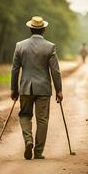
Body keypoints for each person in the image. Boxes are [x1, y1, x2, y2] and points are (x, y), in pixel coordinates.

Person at [11, 16, 63, 160]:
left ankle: (28, 140)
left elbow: (15, 69)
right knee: (42, 120)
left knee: (24, 115)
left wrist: (14, 89)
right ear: (44, 29)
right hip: (44, 89)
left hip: (26, 88)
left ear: (30, 29)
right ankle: (38, 152)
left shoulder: (20, 46)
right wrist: (59, 90)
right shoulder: (50, 47)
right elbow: (55, 71)